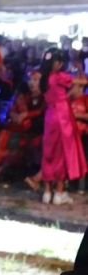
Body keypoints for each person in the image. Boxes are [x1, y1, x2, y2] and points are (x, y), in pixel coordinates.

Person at [38, 48, 87, 205]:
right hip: (63, 117)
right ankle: (59, 192)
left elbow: (59, 95)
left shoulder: (43, 79)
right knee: (63, 153)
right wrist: (80, 69)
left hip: (50, 116)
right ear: (57, 63)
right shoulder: (59, 77)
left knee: (48, 153)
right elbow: (82, 81)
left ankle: (47, 192)